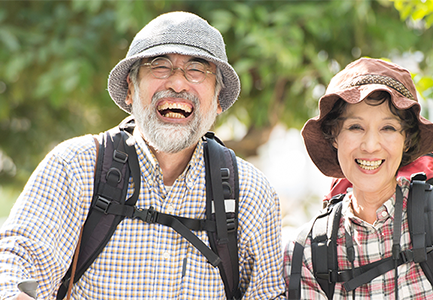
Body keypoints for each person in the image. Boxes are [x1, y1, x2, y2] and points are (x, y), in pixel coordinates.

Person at [0, 11, 285, 299]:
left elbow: (269, 293)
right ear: (130, 90)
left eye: (197, 70)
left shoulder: (250, 192)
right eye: (159, 66)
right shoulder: (75, 166)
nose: (177, 84)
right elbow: (15, 265)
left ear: (219, 101)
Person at [283, 58, 433, 299]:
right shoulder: (306, 250)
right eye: (355, 127)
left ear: (407, 140)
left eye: (388, 128)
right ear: (333, 136)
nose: (371, 146)